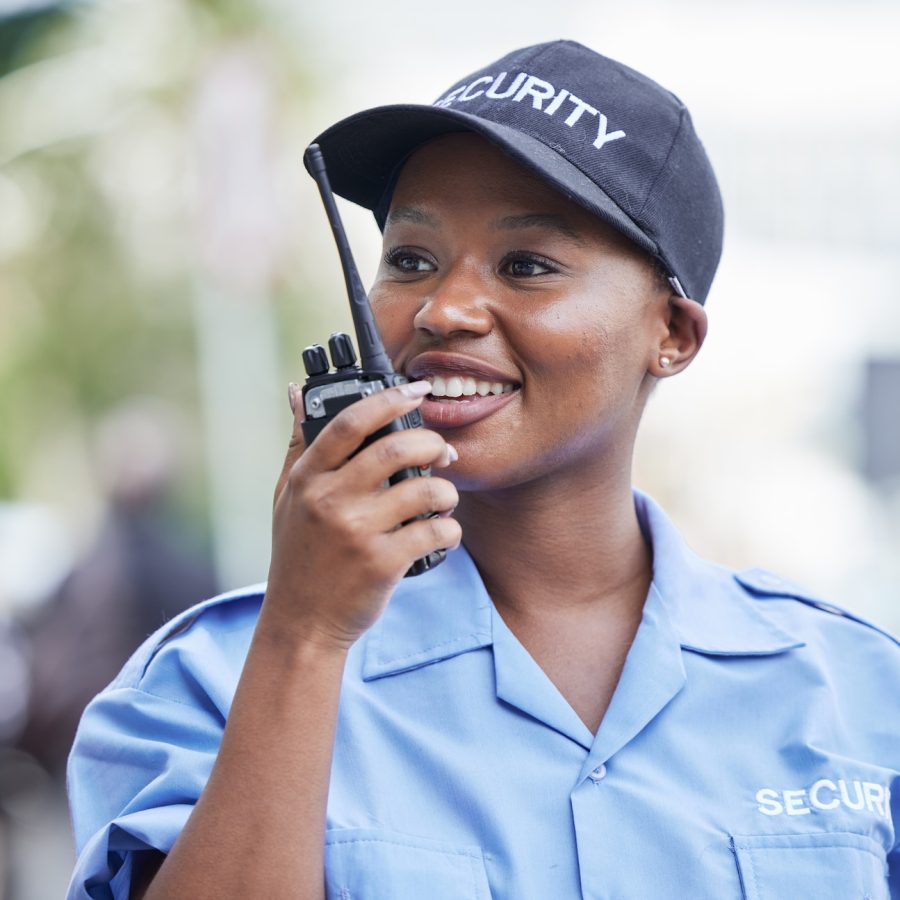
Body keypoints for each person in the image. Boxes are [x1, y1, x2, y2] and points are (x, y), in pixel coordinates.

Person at [66, 41, 899, 899]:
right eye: (411, 260)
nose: (443, 309)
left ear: (674, 335)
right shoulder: (209, 680)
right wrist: (305, 639)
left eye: (527, 266)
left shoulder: (860, 692)